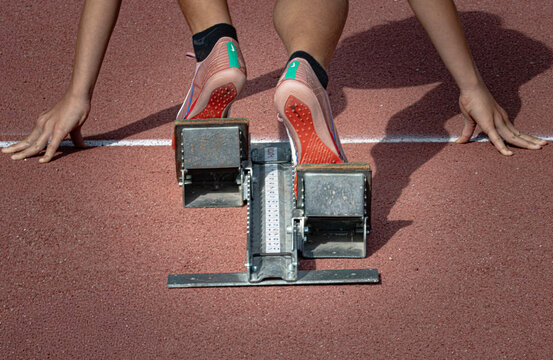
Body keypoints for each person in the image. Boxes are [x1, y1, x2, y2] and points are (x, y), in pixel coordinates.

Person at [2, 0, 546, 164]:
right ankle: (306, 66)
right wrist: (470, 83)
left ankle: (216, 44)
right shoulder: (534, 51)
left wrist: (80, 91)